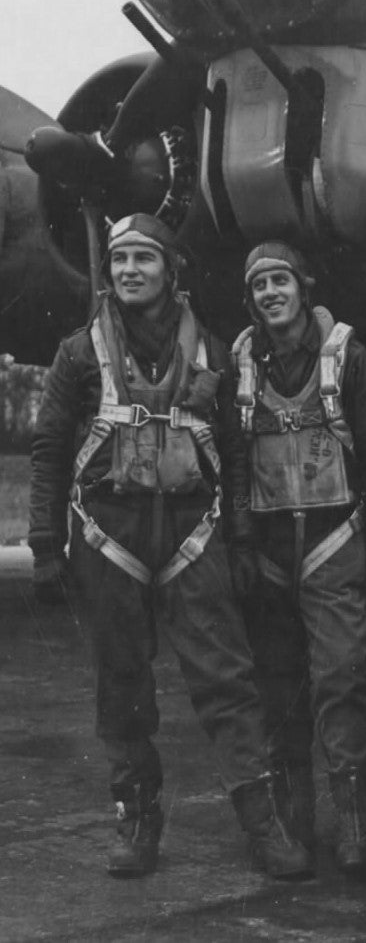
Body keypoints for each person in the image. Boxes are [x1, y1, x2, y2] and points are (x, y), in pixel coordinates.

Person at [26, 214, 310, 881]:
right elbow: (49, 447)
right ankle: (137, 815)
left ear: (169, 270)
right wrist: (44, 542)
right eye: (119, 259)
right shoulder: (77, 353)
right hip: (108, 535)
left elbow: (235, 454)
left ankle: (261, 822)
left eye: (143, 259)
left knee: (227, 680)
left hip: (193, 532)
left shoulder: (211, 349)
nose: (128, 270)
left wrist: (239, 535)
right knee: (121, 682)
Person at [228, 241, 366, 877]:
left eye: (280, 280)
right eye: (259, 285)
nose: (271, 293)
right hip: (271, 551)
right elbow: (234, 460)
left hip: (334, 542)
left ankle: (357, 826)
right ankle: (293, 822)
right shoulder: (242, 363)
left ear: (303, 286)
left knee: (342, 680)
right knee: (278, 688)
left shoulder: (348, 358)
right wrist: (241, 540)